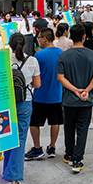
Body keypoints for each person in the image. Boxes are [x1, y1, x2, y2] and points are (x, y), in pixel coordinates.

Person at [57, 24, 93, 173]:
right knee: (82, 129)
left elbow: (60, 77)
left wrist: (75, 90)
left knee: (69, 127)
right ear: (84, 37)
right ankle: (77, 160)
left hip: (69, 100)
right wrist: (87, 90)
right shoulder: (92, 55)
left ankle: (69, 154)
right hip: (86, 100)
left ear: (70, 37)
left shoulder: (64, 55)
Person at [2, 33, 41, 184]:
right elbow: (37, 84)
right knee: (20, 139)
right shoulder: (32, 60)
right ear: (24, 45)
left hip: (6, 102)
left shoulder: (3, 60)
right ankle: (13, 177)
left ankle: (7, 171)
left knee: (7, 137)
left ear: (9, 45)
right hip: (25, 103)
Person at [25, 28, 63, 161]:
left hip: (40, 96)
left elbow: (35, 77)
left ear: (45, 39)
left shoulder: (39, 55)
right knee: (55, 122)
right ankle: (52, 147)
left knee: (34, 123)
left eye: (39, 37)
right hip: (57, 95)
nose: (38, 40)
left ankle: (37, 148)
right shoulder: (61, 53)